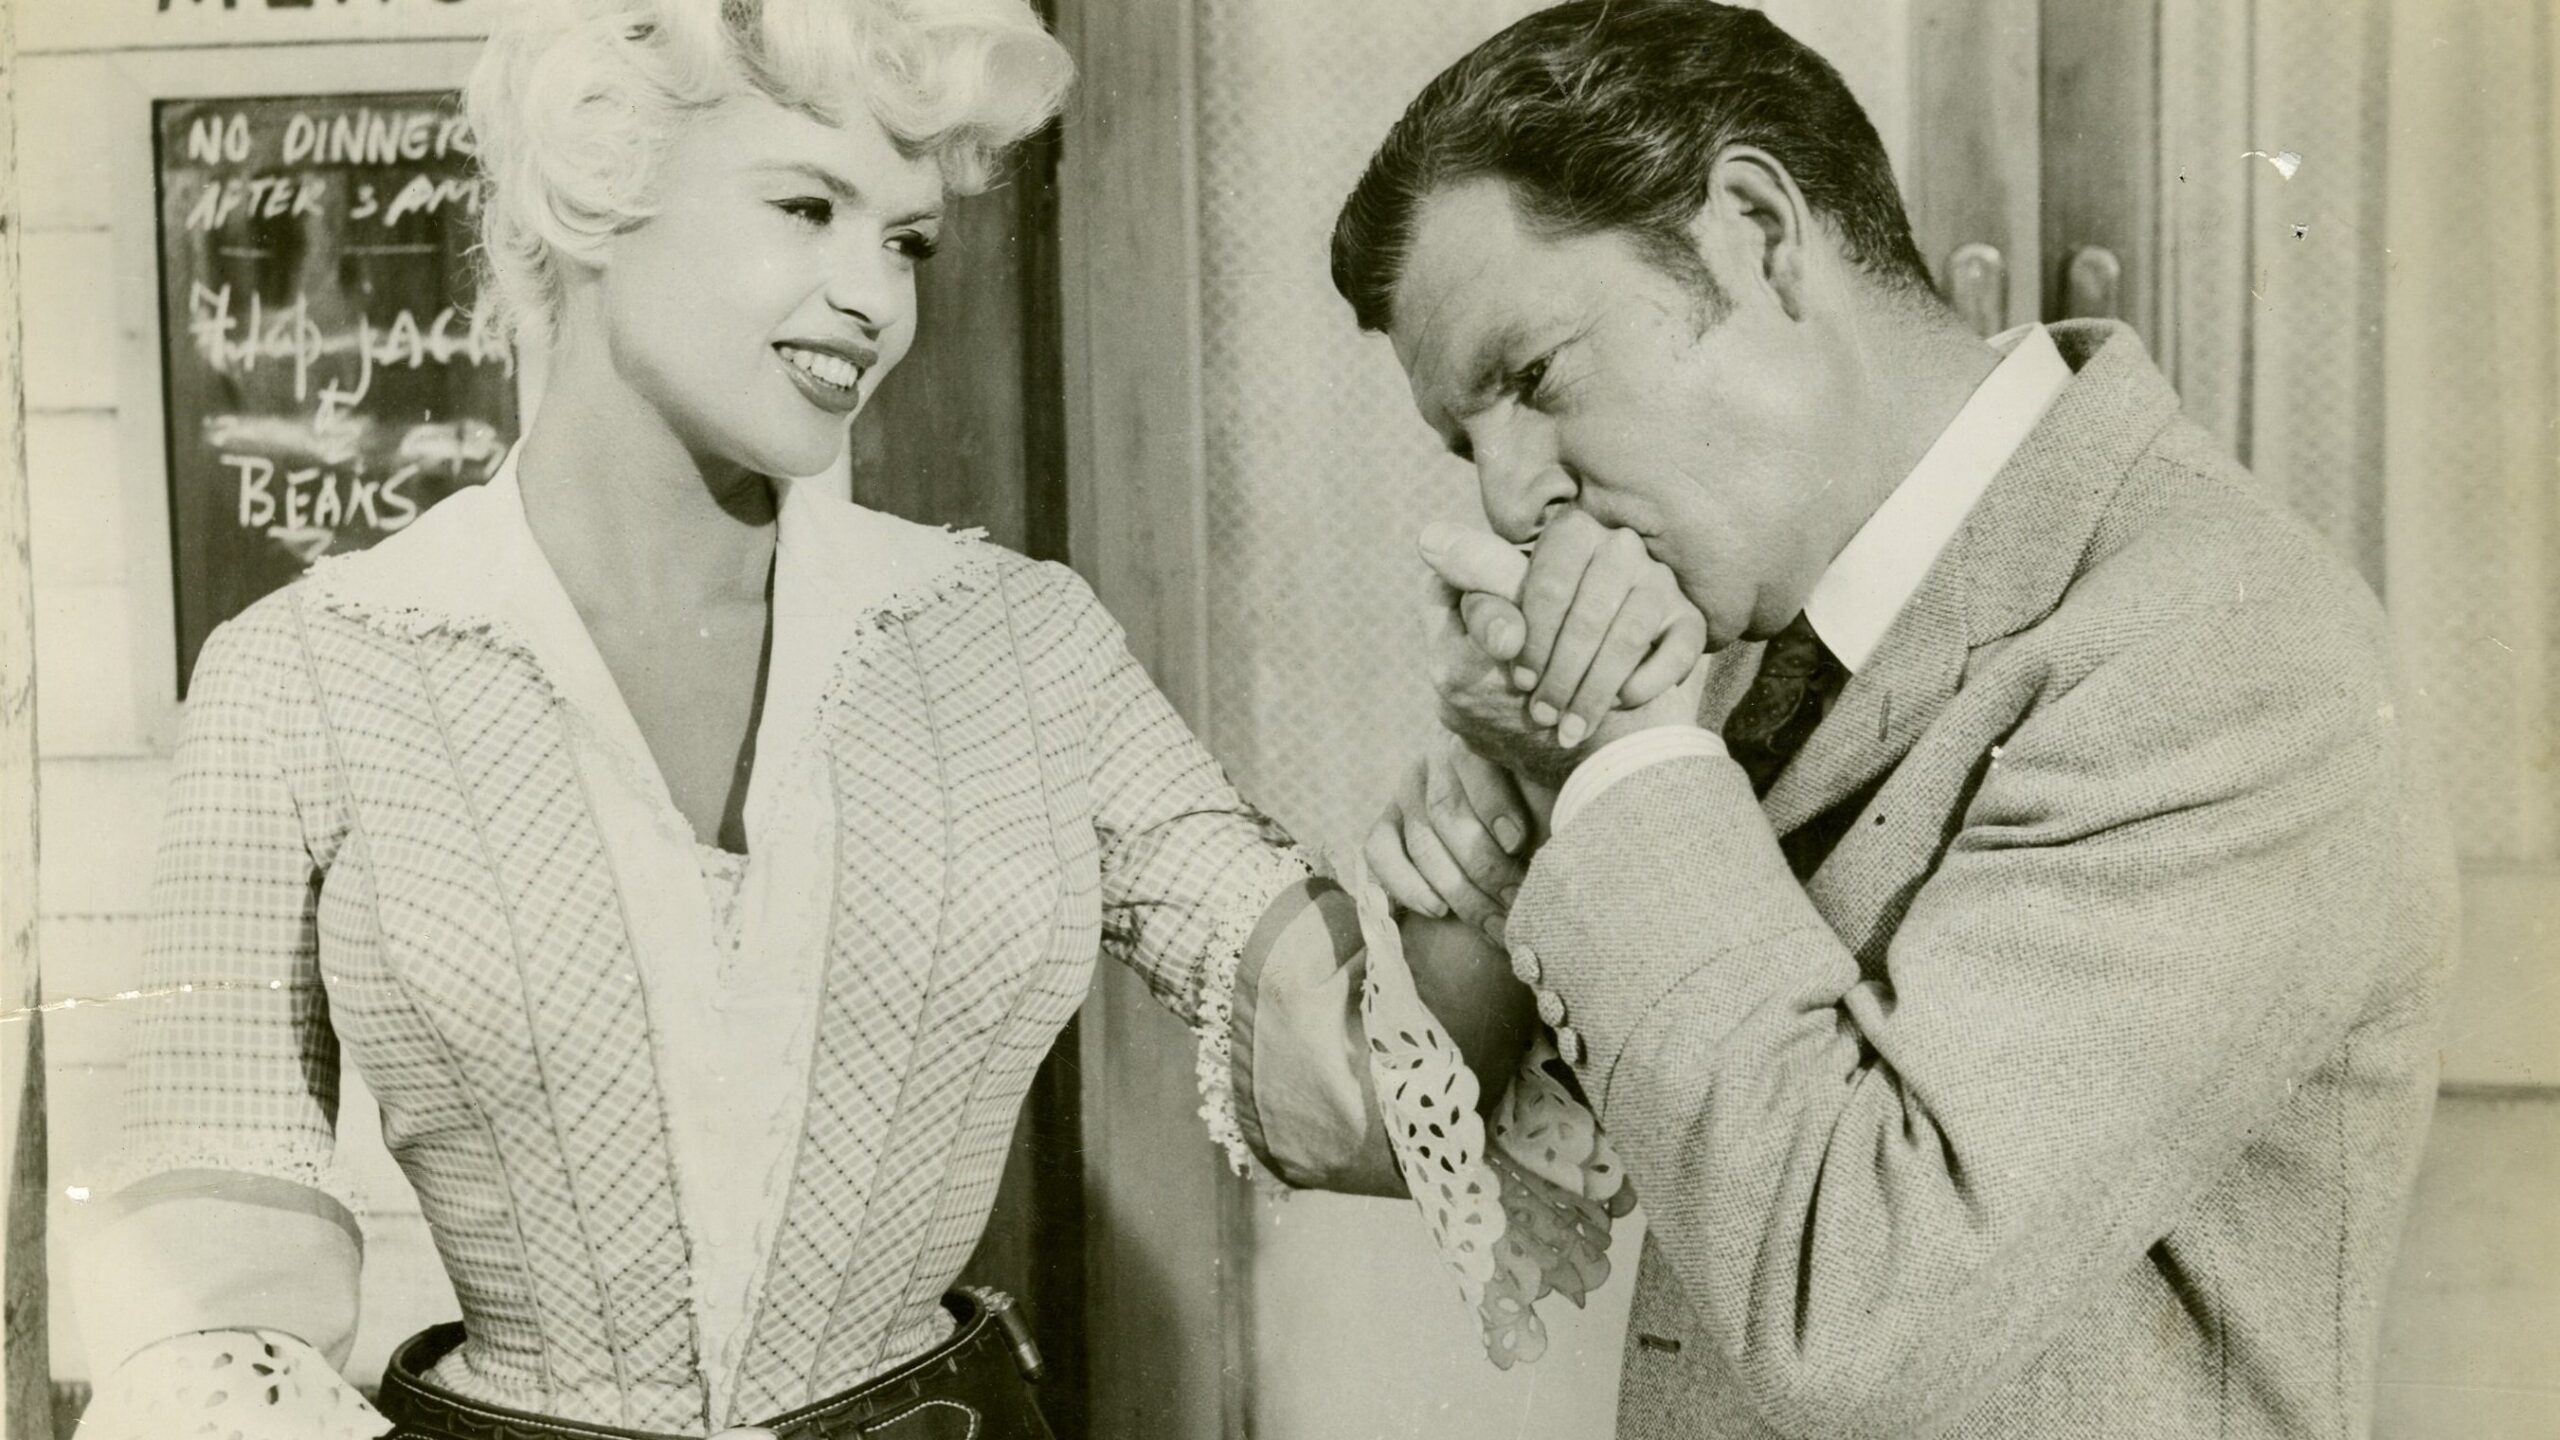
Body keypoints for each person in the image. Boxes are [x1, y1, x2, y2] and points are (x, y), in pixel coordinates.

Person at [71, 3, 1580, 1436]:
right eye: (806, 208)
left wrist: (1513, 762)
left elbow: (1373, 1093)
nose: (876, 299)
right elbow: (208, 1295)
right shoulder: (309, 673)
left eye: (908, 239)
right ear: (599, 188)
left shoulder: (1020, 645)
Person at [1343, 4, 2458, 1437]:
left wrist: (1623, 769)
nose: (1508, 499)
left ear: (1757, 233)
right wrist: (1514, 823)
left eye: (1536, 377)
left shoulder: (2224, 648)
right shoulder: (1740, 625)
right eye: (1467, 441)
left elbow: (1855, 1310)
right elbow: (1463, 1132)